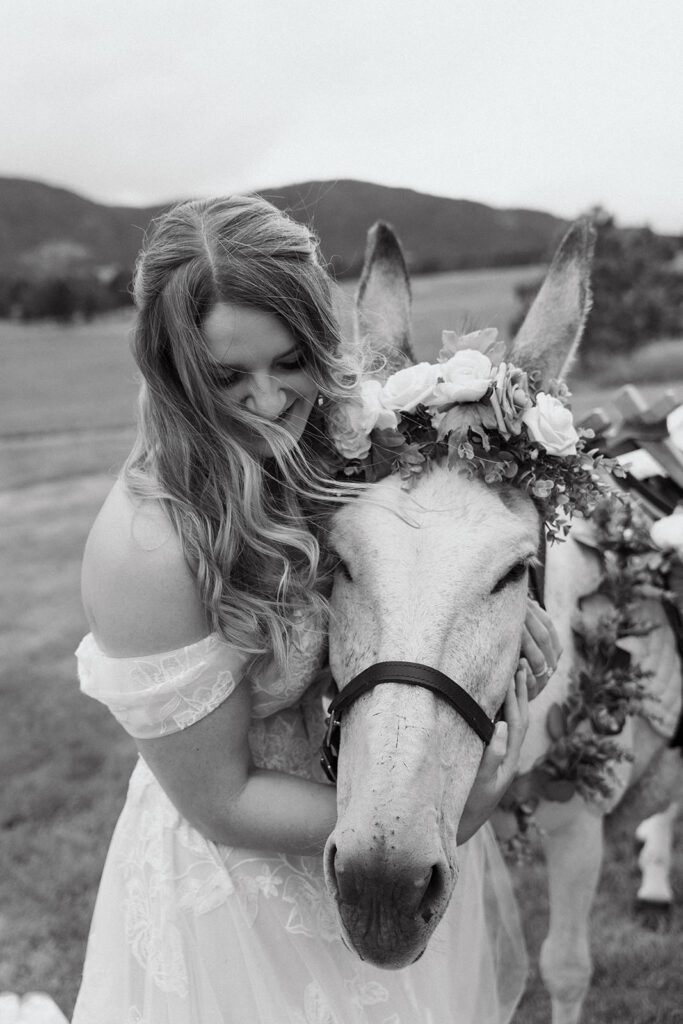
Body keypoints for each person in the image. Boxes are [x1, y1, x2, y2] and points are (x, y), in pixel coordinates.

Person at [72, 195, 560, 1024]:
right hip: (249, 901)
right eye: (226, 377)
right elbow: (219, 800)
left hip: (378, 822)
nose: (266, 401)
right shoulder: (147, 548)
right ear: (171, 366)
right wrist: (446, 806)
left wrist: (492, 639)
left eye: (289, 359)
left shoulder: (341, 436)